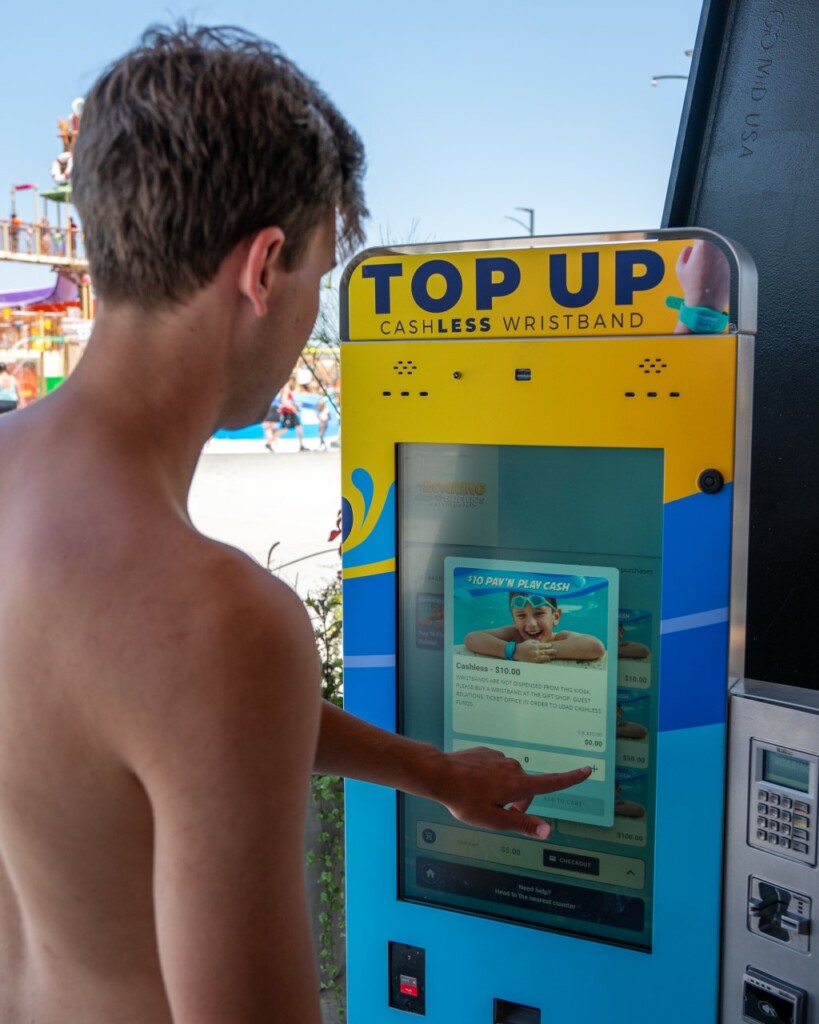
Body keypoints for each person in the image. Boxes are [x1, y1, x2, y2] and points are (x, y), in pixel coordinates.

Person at [0, 25, 591, 1024]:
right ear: (264, 267)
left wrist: (427, 769)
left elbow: (132, 716)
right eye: (322, 273)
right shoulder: (218, 617)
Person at [464, 590, 605, 663]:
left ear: (556, 617)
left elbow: (596, 647)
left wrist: (540, 651)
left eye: (539, 613)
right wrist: (516, 652)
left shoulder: (561, 637)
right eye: (521, 615)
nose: (531, 624)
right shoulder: (514, 635)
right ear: (513, 619)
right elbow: (472, 638)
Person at [270, 373, 305, 451]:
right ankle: (269, 442)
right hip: (288, 411)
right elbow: (284, 402)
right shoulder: (286, 388)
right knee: (284, 428)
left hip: (291, 411)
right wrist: (293, 408)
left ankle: (301, 445)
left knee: (299, 427)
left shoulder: (288, 388)